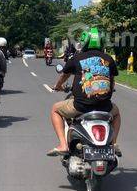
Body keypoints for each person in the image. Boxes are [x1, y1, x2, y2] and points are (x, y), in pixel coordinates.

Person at [48, 27, 121, 157]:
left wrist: (58, 86)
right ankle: (114, 144)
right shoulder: (108, 59)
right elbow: (112, 81)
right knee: (116, 113)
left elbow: (64, 76)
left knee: (55, 109)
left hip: (81, 106)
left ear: (84, 42)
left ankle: (63, 145)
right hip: (105, 107)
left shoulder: (77, 58)